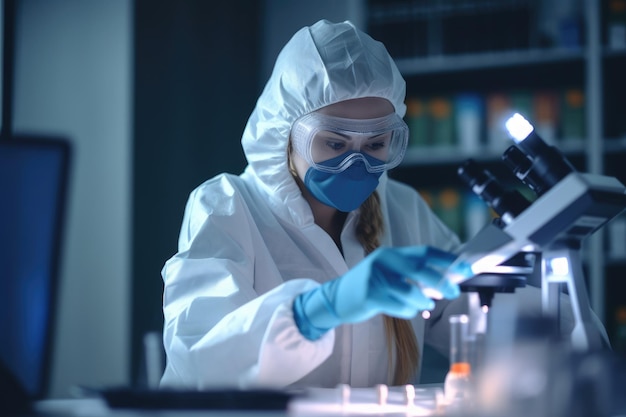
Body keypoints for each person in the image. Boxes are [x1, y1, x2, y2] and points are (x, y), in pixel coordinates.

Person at [160, 19, 605, 390]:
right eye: (333, 142)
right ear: (284, 134)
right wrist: (320, 308)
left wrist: (557, 319)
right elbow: (199, 358)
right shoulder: (226, 206)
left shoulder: (402, 209)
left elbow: (470, 309)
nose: (356, 163)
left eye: (376, 144)